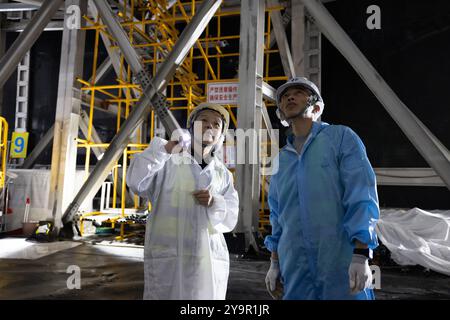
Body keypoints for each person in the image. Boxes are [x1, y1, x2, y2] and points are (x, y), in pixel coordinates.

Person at [264, 77, 380, 300]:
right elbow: (277, 216)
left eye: (299, 92)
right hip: (294, 267)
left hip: (341, 264)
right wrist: (274, 262)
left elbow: (361, 195)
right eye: (284, 96)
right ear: (280, 113)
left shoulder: (341, 138)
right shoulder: (281, 161)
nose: (290, 96)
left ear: (316, 106)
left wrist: (361, 253)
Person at [126, 102, 239, 300]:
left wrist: (215, 202)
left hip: (208, 261)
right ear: (191, 127)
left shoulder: (222, 174)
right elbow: (136, 183)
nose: (209, 126)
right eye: (203, 120)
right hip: (169, 259)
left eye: (216, 124)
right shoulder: (167, 161)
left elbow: (231, 217)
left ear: (221, 135)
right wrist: (162, 150)